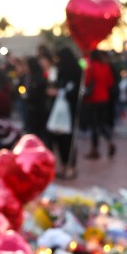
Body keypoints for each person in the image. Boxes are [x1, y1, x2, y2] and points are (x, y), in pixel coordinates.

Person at [47, 46, 83, 179]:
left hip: (70, 111)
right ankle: (63, 165)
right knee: (60, 139)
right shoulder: (60, 70)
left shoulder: (75, 70)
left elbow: (75, 91)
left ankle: (70, 167)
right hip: (60, 111)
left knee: (69, 141)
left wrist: (61, 92)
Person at [83, 49, 116, 159]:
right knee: (102, 123)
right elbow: (110, 83)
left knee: (94, 125)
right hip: (104, 98)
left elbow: (86, 80)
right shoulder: (106, 67)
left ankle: (95, 149)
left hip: (93, 99)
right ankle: (109, 141)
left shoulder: (90, 66)